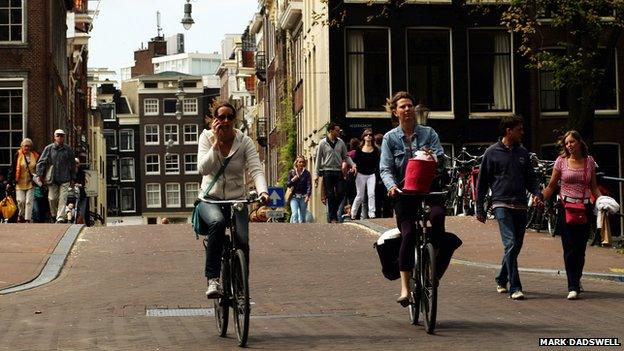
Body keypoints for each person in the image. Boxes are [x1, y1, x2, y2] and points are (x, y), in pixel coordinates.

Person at [379, 91, 462, 306]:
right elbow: (385, 169)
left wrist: (433, 156)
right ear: (395, 112)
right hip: (404, 194)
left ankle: (431, 265)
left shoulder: (429, 133)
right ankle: (405, 288)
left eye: (410, 106)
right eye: (402, 107)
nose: (407, 109)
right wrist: (391, 187)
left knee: (439, 217)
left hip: (428, 190)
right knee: (408, 234)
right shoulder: (390, 138)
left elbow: (442, 160)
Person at [196, 101, 269, 298]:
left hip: (237, 199)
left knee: (243, 241)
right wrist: (216, 144)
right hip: (210, 199)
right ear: (214, 120)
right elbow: (203, 169)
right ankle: (213, 280)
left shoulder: (244, 141)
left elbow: (255, 168)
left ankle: (241, 285)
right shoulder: (206, 137)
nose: (226, 121)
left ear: (234, 119)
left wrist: (263, 192)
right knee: (217, 223)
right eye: (221, 117)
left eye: (229, 117)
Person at [475, 115, 543, 300]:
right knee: (511, 243)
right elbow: (481, 183)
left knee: (516, 246)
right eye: (519, 129)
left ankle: (501, 278)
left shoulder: (523, 153)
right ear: (508, 131)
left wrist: (537, 194)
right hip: (501, 203)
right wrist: (479, 209)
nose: (522, 132)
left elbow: (531, 178)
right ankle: (515, 287)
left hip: (520, 204)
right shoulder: (491, 153)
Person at [542, 131, 602, 300]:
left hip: (584, 208)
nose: (569, 145)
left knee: (580, 249)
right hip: (565, 207)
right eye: (566, 143)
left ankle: (577, 277)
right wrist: (541, 198)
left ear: (579, 142)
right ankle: (572, 285)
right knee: (569, 248)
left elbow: (594, 187)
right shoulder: (561, 162)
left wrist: (603, 201)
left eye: (572, 142)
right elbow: (552, 185)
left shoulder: (589, 162)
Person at [314, 122, 356, 223]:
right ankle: (333, 217)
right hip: (327, 171)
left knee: (341, 192)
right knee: (330, 194)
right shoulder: (322, 143)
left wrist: (353, 164)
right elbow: (318, 159)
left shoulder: (341, 142)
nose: (339, 132)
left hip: (338, 170)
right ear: (330, 131)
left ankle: (333, 211)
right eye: (337, 130)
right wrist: (316, 174)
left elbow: (345, 156)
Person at [36, 129, 76, 223]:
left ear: (64, 137)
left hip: (65, 178)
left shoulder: (68, 149)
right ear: (54, 137)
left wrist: (73, 178)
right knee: (52, 198)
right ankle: (54, 215)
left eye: (62, 136)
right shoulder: (49, 148)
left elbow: (72, 164)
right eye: (58, 135)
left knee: (63, 199)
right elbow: (41, 161)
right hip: (52, 179)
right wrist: (39, 174)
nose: (60, 137)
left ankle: (60, 218)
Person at [351, 128, 380, 220]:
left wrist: (376, 173)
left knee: (371, 194)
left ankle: (371, 213)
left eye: (370, 135)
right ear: (363, 137)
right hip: (360, 174)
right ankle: (353, 213)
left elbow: (377, 162)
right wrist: (354, 169)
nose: (368, 136)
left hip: (371, 174)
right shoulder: (359, 149)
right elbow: (355, 162)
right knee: (360, 195)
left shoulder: (375, 150)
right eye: (366, 135)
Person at [9, 138, 39, 223]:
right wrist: (9, 181)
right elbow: (13, 168)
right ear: (22, 146)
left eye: (29, 146)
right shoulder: (18, 155)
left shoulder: (35, 155)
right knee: (21, 201)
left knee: (29, 201)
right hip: (19, 182)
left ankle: (27, 219)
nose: (27, 148)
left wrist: (38, 177)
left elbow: (38, 168)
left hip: (30, 183)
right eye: (25, 146)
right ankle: (21, 214)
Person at [287, 155, 312, 223]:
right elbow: (288, 184)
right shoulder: (292, 172)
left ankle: (302, 231)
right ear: (296, 163)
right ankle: (295, 231)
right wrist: (293, 179)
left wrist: (308, 195)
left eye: (303, 162)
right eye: (300, 162)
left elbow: (309, 185)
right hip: (294, 197)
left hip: (303, 197)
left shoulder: (307, 173)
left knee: (302, 217)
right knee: (295, 214)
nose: (301, 163)